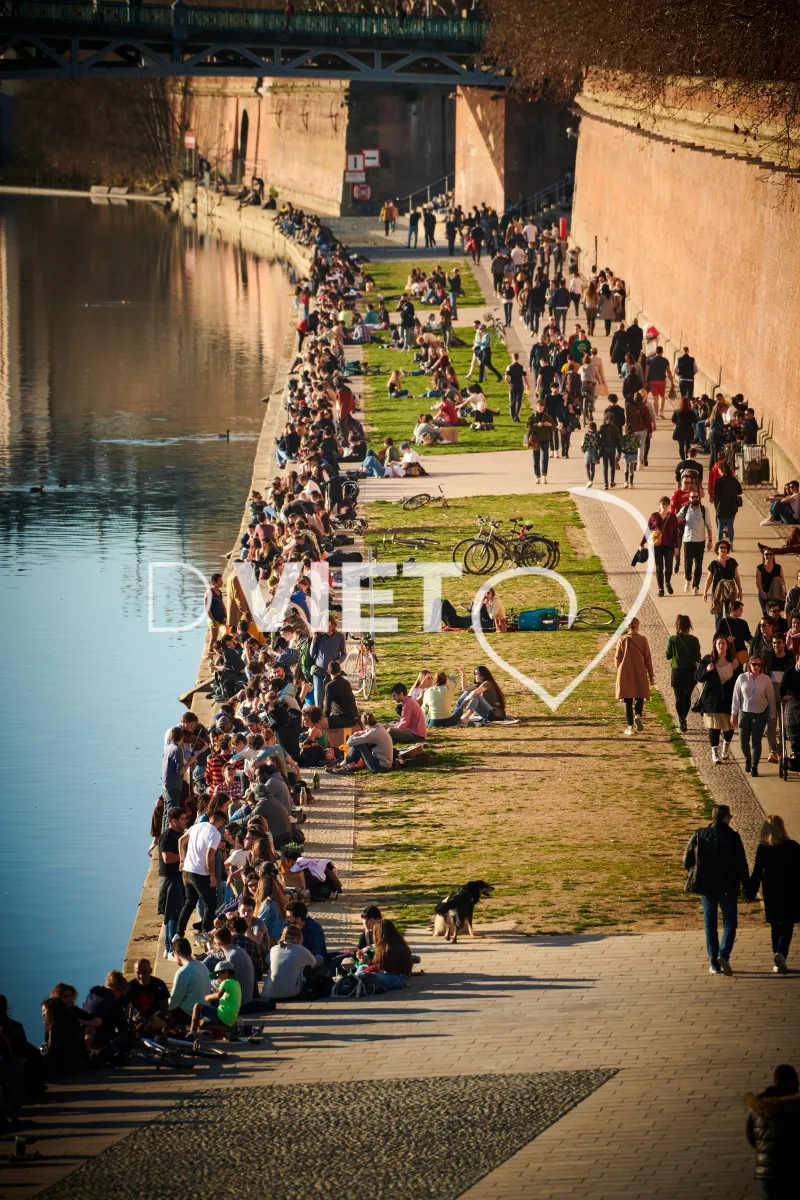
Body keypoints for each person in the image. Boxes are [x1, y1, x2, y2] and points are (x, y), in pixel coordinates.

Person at [683, 803, 750, 975]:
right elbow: (742, 865)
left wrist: (695, 871)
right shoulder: (733, 837)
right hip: (728, 885)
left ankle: (714, 963)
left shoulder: (699, 834)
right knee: (730, 923)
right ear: (726, 818)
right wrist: (747, 887)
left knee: (710, 925)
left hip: (706, 886)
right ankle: (724, 954)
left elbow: (687, 859)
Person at [747, 815, 800, 974]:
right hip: (791, 890)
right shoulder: (793, 846)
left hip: (771, 891)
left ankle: (777, 958)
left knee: (775, 925)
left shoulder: (763, 848)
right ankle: (781, 953)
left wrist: (750, 892)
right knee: (787, 925)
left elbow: (757, 872)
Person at [746, 1063, 800, 1199]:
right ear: (790, 1082)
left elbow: (751, 1137)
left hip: (766, 1174)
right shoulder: (795, 1108)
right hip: (791, 1172)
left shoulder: (758, 1109)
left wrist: (766, 1152)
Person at [177, 810, 226, 936]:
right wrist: (212, 875)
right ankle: (205, 933)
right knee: (210, 903)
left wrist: (182, 860)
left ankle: (179, 933)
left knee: (189, 902)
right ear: (221, 822)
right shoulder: (215, 834)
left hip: (187, 870)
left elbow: (181, 840)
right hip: (200, 873)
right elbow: (210, 855)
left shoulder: (197, 825)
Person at [695, 637, 742, 764]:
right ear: (715, 646)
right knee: (714, 726)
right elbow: (698, 677)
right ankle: (714, 752)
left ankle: (726, 747)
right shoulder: (708, 659)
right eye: (718, 643)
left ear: (727, 646)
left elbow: (741, 680)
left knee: (729, 727)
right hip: (712, 699)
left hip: (729, 698)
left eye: (723, 643)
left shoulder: (734, 662)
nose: (721, 645)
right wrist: (707, 670)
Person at [731, 654, 776, 777]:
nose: (756, 667)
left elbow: (771, 699)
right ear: (749, 665)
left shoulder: (766, 679)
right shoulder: (741, 678)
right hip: (744, 713)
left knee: (756, 741)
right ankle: (748, 758)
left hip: (760, 714)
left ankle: (755, 766)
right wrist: (733, 714)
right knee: (743, 742)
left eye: (759, 665)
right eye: (754, 664)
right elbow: (736, 697)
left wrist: (773, 717)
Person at [614, 618, 654, 735]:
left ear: (628, 626)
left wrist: (619, 668)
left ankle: (630, 727)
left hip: (625, 672)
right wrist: (651, 676)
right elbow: (648, 658)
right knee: (639, 696)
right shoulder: (643, 639)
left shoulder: (622, 639)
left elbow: (617, 659)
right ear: (637, 626)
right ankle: (638, 715)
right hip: (640, 671)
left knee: (627, 700)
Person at [158, 807, 186, 958]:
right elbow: (167, 858)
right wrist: (184, 856)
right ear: (173, 821)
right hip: (169, 880)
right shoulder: (167, 837)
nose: (185, 821)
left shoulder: (180, 834)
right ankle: (170, 949)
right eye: (182, 819)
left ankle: (169, 947)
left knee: (176, 913)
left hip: (178, 879)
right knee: (172, 915)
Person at [665, 614, 701, 732]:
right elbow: (697, 657)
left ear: (678, 625)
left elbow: (668, 656)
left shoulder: (673, 639)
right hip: (690, 672)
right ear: (689, 626)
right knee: (687, 696)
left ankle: (681, 718)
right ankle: (684, 717)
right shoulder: (694, 640)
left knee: (679, 698)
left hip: (677, 672)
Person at [262, 924, 317, 999]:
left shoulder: (274, 949)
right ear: (297, 938)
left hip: (268, 993)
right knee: (306, 967)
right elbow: (313, 963)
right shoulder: (301, 950)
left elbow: (267, 960)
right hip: (290, 993)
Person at [355, 918, 413, 991]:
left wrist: (364, 972)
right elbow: (379, 965)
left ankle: (355, 981)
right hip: (392, 975)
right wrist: (365, 962)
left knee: (360, 974)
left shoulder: (389, 948)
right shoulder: (395, 943)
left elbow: (378, 966)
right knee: (362, 967)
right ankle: (355, 981)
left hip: (398, 979)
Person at [189, 960, 241, 1036]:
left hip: (223, 1015)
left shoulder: (226, 982)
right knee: (201, 1024)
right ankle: (223, 1028)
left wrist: (209, 997)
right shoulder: (236, 983)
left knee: (197, 1006)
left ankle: (192, 1033)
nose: (217, 978)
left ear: (226, 972)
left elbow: (219, 995)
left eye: (217, 975)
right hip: (231, 1019)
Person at [677, 487, 713, 595]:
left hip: (699, 541)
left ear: (699, 497)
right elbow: (675, 518)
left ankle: (696, 586)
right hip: (688, 540)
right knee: (687, 564)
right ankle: (688, 579)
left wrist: (710, 541)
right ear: (689, 498)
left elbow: (709, 526)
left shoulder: (704, 510)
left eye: (696, 496)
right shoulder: (685, 509)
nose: (694, 498)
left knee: (698, 564)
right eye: (692, 497)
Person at [645, 496, 680, 596]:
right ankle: (661, 588)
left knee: (668, 568)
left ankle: (668, 582)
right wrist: (641, 544)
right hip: (657, 546)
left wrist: (676, 546)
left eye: (667, 505)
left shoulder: (673, 517)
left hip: (669, 546)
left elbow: (675, 533)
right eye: (663, 505)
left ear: (669, 506)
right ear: (659, 505)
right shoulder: (654, 516)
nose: (665, 507)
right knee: (659, 568)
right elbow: (647, 530)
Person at [127, 958, 170, 1034]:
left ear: (150, 971)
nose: (141, 976)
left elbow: (164, 1010)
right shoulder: (130, 987)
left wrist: (149, 1020)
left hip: (155, 1020)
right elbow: (125, 1007)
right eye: (138, 973)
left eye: (144, 972)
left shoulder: (159, 985)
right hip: (137, 1021)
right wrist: (135, 1018)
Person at [702, 540, 743, 615]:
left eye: (725, 548)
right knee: (718, 615)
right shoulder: (713, 564)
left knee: (730, 614)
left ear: (727, 550)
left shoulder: (732, 562)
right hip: (717, 592)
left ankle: (728, 627)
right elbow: (709, 579)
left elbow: (736, 577)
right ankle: (719, 627)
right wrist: (705, 592)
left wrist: (740, 590)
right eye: (721, 547)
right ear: (717, 549)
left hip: (729, 591)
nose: (723, 549)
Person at [711, 460, 743, 544]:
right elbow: (740, 491)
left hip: (721, 506)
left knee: (720, 527)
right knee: (730, 526)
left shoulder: (719, 481)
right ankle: (731, 543)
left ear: (721, 470)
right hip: (732, 506)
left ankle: (719, 544)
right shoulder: (733, 480)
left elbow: (716, 493)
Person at [526, 400, 555, 484]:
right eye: (539, 406)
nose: (540, 407)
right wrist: (536, 425)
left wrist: (549, 425)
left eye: (542, 406)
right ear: (536, 406)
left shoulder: (547, 416)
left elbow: (554, 427)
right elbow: (527, 427)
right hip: (535, 440)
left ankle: (544, 476)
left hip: (545, 439)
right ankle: (537, 476)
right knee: (536, 459)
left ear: (544, 407)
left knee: (545, 458)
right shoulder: (532, 416)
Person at [645, 345, 674, 416]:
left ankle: (656, 414)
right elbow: (669, 372)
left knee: (655, 398)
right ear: (662, 352)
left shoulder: (650, 360)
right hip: (662, 381)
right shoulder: (665, 360)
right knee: (662, 396)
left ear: (656, 351)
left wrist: (645, 381)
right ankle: (661, 411)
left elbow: (647, 371)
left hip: (653, 381)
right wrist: (672, 381)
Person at [757, 548, 786, 615]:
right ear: (763, 556)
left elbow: (783, 582)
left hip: (775, 594)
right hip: (764, 594)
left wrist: (778, 579)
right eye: (766, 554)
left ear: (773, 555)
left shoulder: (778, 567)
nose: (769, 556)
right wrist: (761, 592)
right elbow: (758, 582)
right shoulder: (760, 568)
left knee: (775, 613)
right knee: (766, 613)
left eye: (771, 554)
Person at [504, 352, 528, 423]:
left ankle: (512, 415)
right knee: (519, 401)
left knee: (512, 401)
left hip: (513, 385)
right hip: (520, 385)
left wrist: (509, 383)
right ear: (518, 358)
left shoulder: (509, 367)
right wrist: (527, 384)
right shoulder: (522, 367)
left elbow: (506, 378)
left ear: (512, 358)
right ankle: (516, 415)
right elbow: (525, 376)